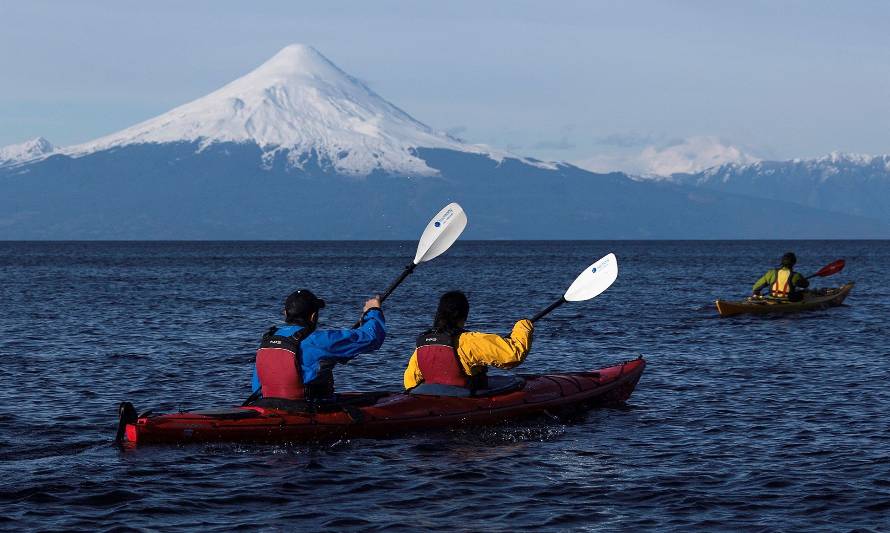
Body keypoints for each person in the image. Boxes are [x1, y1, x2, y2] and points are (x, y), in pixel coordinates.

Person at [251, 289, 385, 402]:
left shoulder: (267, 341)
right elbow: (372, 337)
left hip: (269, 405)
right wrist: (373, 311)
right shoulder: (319, 340)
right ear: (313, 317)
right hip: (309, 409)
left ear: (285, 314)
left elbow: (257, 387)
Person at [403, 290, 533, 393]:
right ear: (464, 315)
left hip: (437, 399)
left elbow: (410, 382)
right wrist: (523, 325)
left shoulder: (424, 344)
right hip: (467, 398)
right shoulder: (470, 341)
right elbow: (513, 355)